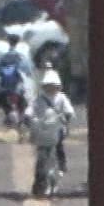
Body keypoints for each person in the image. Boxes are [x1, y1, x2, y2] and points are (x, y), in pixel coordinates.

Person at [28, 67, 74, 196]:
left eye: (52, 85)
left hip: (56, 130)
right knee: (41, 159)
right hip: (42, 130)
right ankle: (40, 184)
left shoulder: (61, 98)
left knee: (57, 149)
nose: (50, 88)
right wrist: (28, 116)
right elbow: (31, 108)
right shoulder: (40, 99)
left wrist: (66, 118)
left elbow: (69, 111)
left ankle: (60, 167)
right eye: (48, 85)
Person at [0, 40, 30, 128]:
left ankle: (8, 116)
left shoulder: (2, 57)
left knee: (2, 101)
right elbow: (27, 71)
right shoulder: (20, 57)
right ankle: (23, 118)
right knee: (23, 102)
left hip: (4, 88)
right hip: (17, 87)